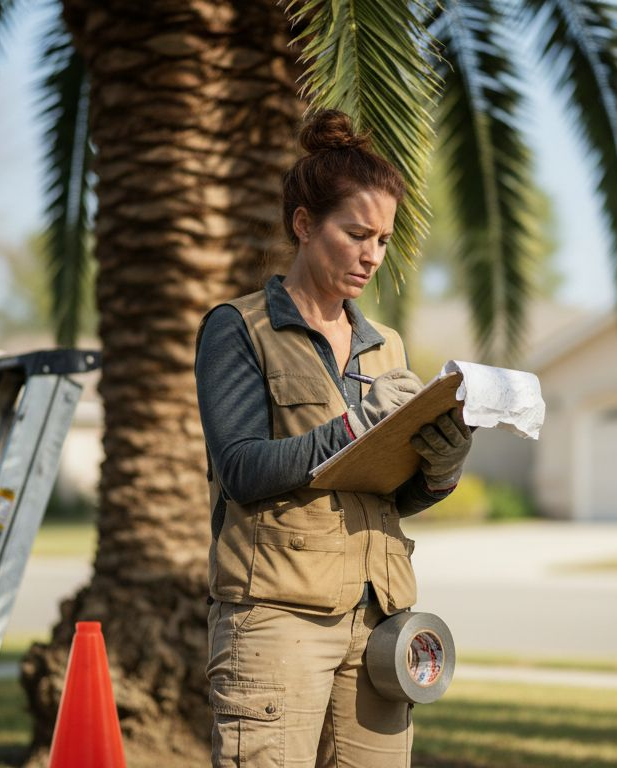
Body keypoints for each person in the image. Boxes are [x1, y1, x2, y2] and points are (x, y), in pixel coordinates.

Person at [195, 108, 473, 767]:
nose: (372, 256)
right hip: (275, 620)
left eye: (383, 240)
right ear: (303, 225)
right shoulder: (238, 329)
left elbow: (386, 494)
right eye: (356, 234)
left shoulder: (387, 346)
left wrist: (441, 468)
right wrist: (357, 424)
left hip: (381, 624)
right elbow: (242, 470)